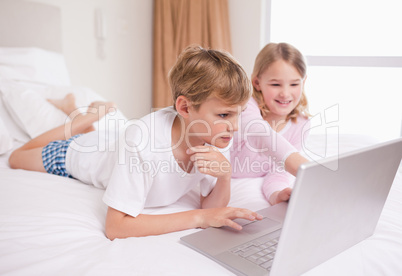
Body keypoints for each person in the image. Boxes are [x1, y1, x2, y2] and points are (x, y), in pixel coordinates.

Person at [9, 45, 265, 239]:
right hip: (81, 152)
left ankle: (81, 114)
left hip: (113, 143)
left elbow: (213, 207)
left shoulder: (219, 134)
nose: (236, 125)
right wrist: (200, 217)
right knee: (17, 156)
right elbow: (116, 226)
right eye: (224, 114)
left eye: (239, 113)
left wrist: (224, 176)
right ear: (185, 107)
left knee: (106, 137)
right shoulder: (142, 141)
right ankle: (85, 117)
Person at [231, 42, 311, 205]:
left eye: (294, 84)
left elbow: (279, 172)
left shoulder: (301, 124)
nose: (285, 93)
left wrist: (277, 195)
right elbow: (259, 133)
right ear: (257, 83)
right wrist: (309, 170)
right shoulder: (246, 105)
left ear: (304, 82)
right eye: (275, 84)